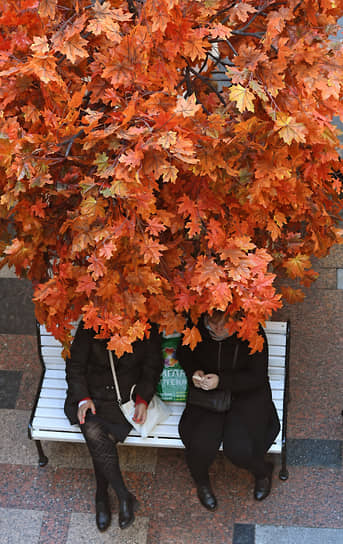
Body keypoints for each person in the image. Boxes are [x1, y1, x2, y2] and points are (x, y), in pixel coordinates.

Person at [64, 319, 163, 531]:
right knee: (92, 429)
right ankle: (122, 495)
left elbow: (152, 367)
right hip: (92, 395)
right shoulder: (92, 323)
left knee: (100, 439)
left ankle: (102, 496)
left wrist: (143, 399)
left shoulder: (146, 324)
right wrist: (83, 397)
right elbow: (75, 365)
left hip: (123, 399)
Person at [176, 310, 280, 511]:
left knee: (240, 449)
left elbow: (257, 376)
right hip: (209, 394)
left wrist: (222, 381)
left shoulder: (251, 331)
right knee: (200, 445)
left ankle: (262, 472)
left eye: (224, 324)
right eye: (211, 323)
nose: (217, 329)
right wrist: (195, 373)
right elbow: (185, 354)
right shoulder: (195, 326)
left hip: (246, 392)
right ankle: (202, 482)